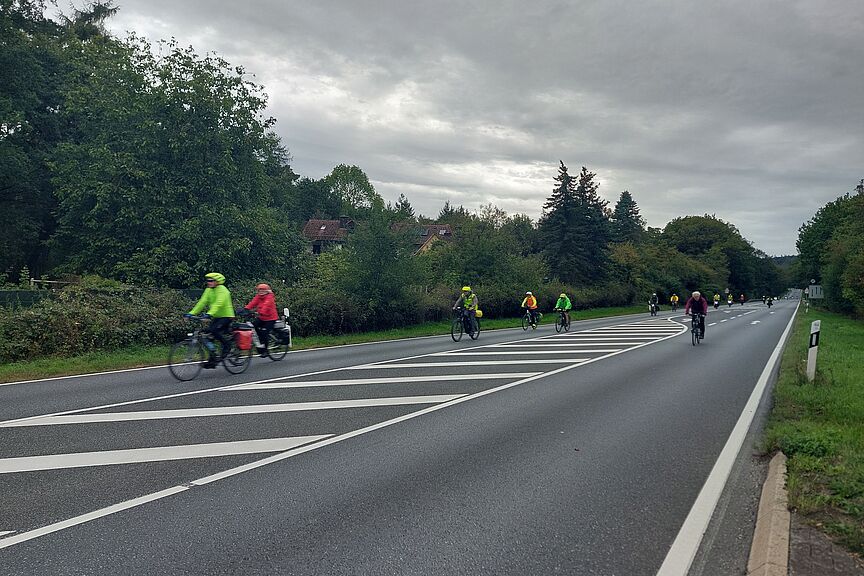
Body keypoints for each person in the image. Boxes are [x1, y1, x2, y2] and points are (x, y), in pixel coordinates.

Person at [185, 272, 235, 368]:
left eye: (211, 281)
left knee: (214, 330)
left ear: (217, 281)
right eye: (208, 281)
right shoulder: (208, 290)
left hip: (227, 316)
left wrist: (208, 314)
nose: (209, 282)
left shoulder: (223, 290)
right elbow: (202, 302)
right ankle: (213, 360)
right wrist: (191, 313)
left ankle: (227, 346)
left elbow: (218, 303)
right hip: (216, 317)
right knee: (207, 336)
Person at [244, 283, 279, 357]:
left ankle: (265, 350)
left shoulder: (270, 297)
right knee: (253, 326)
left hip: (270, 318)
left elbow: (266, 305)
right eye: (259, 290)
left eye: (263, 290)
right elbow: (252, 303)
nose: (261, 291)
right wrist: (246, 309)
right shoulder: (258, 297)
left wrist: (261, 312)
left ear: (267, 291)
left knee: (264, 333)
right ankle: (261, 341)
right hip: (262, 317)